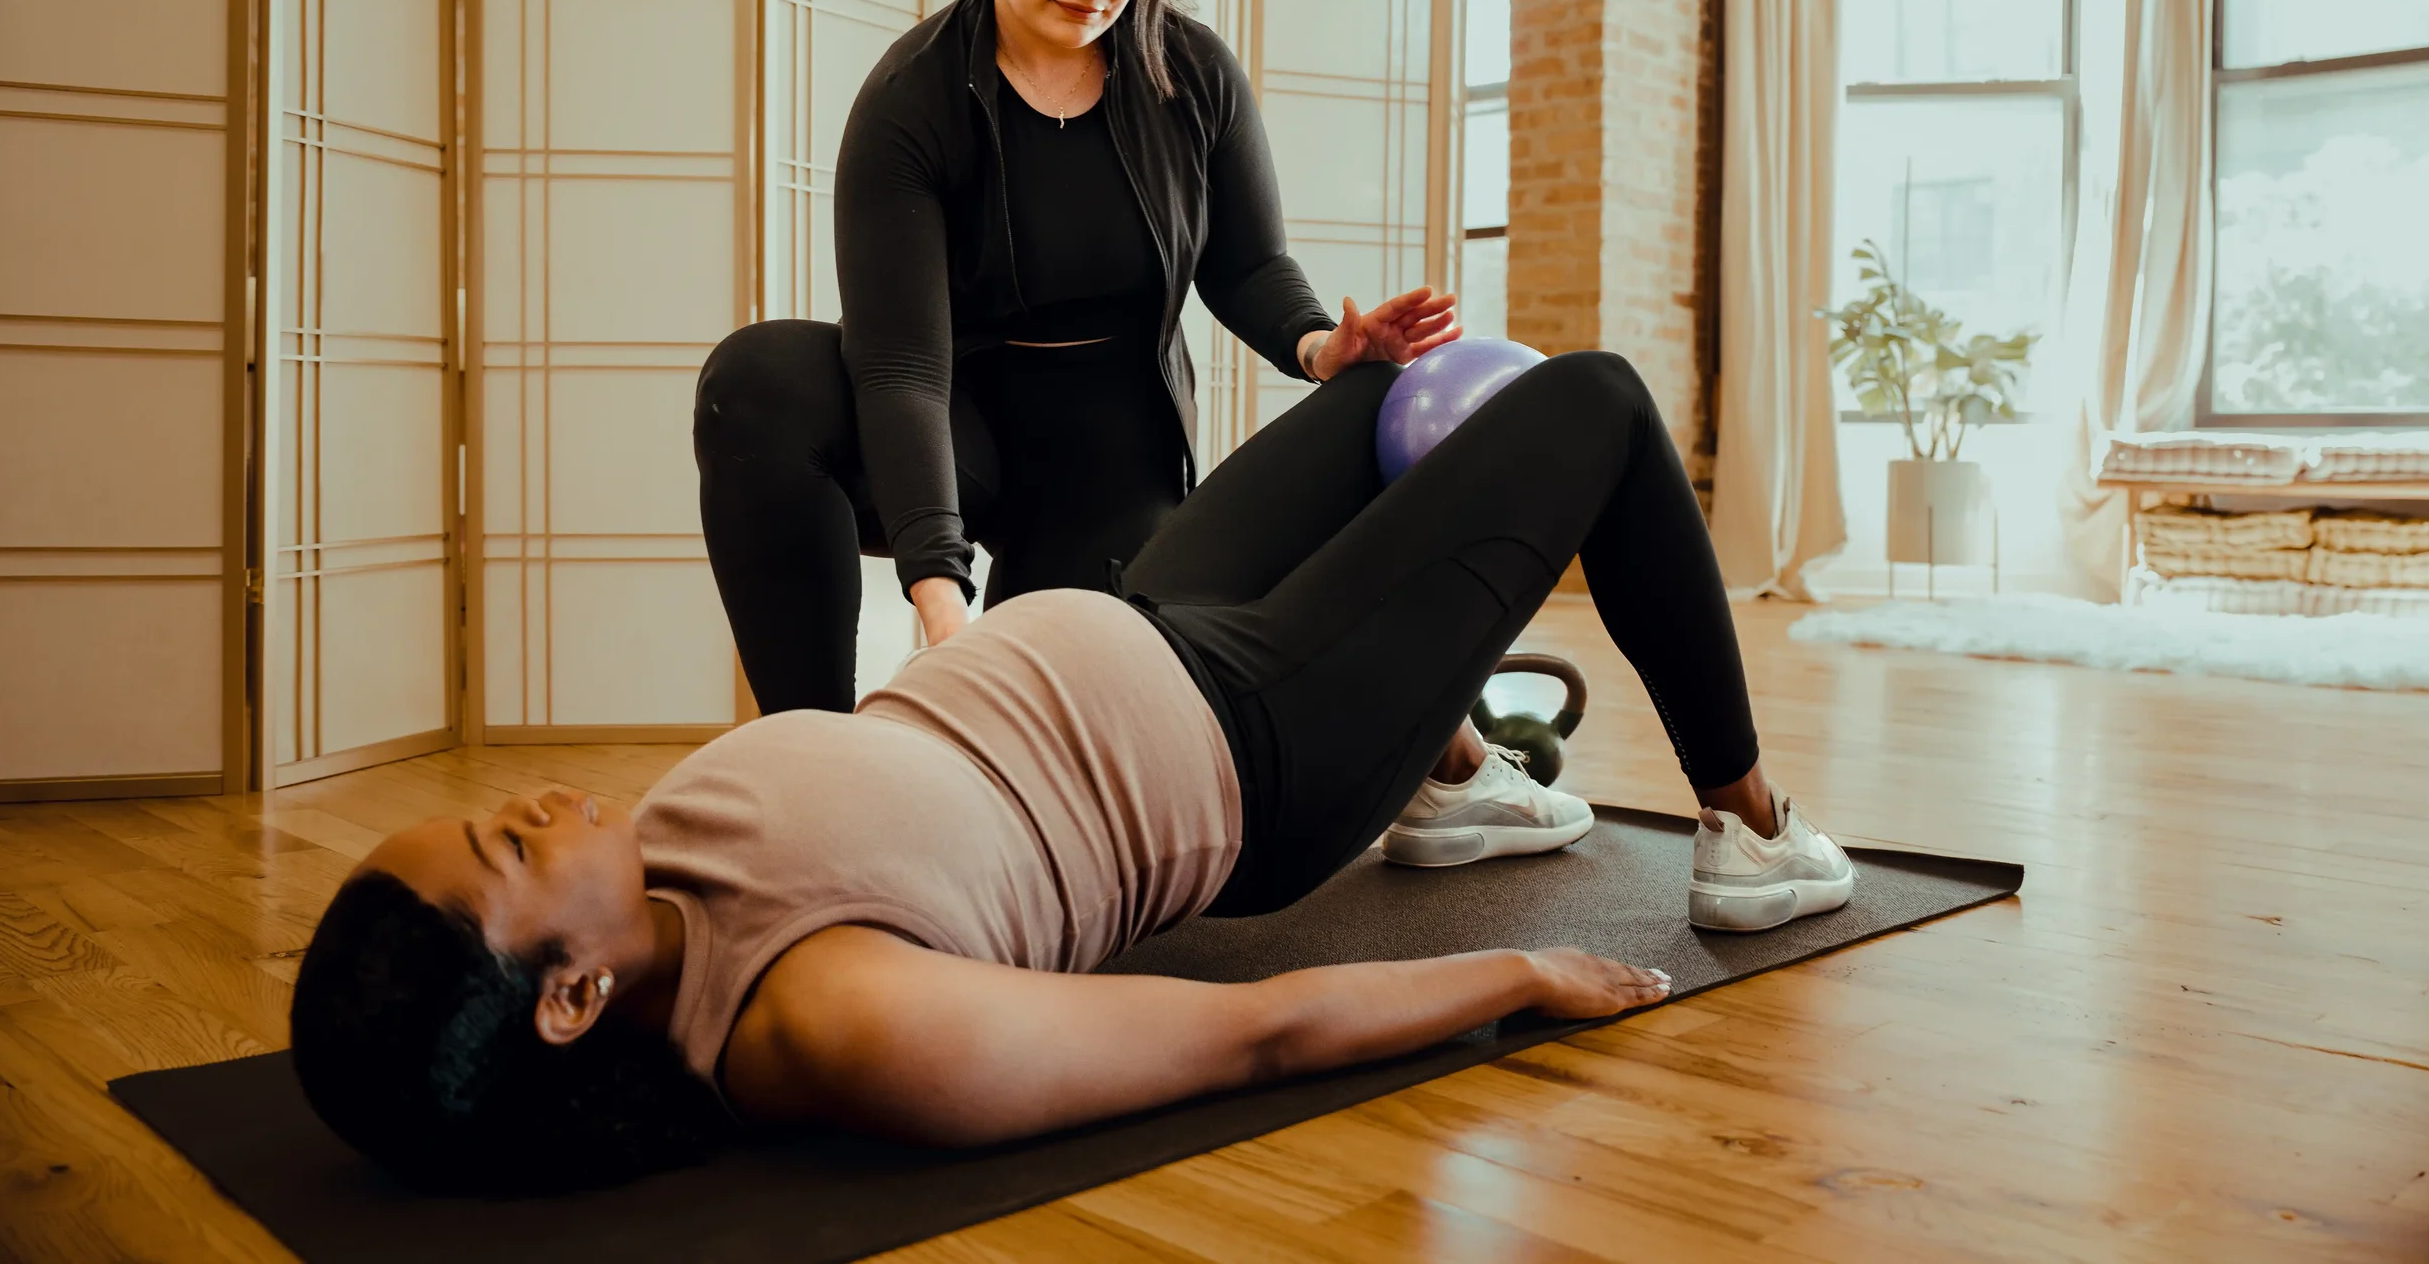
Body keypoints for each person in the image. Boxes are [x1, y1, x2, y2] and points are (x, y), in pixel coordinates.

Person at [290, 349, 1855, 1194]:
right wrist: (1517, 970)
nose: (541, 801)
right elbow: (1247, 1032)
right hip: (1261, 747)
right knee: (1591, 403)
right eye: (507, 843)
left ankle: (1451, 777)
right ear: (566, 996)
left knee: (1393, 381)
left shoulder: (662, 872)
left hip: (1157, 619)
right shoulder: (834, 1019)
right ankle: (1751, 825)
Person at [695, 0, 1458, 717]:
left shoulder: (1192, 74)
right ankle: (808, 750)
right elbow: (899, 370)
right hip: (959, 428)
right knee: (758, 377)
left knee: (1083, 716)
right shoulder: (911, 103)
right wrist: (941, 603)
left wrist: (1317, 345)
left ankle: (1442, 751)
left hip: (1112, 451)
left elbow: (1248, 263)